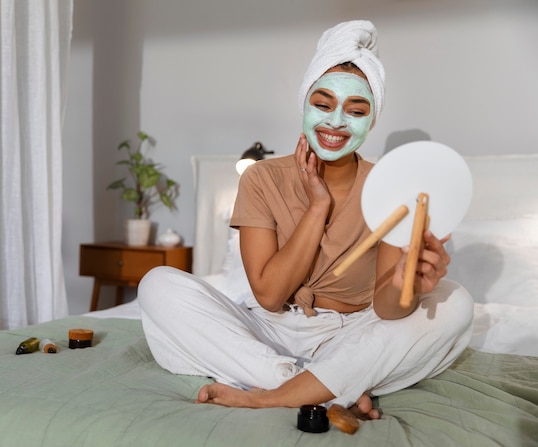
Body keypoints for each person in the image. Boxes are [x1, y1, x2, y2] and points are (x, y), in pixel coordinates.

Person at [137, 20, 473, 420]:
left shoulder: (391, 186)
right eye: (323, 103)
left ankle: (271, 393)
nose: (336, 122)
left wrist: (408, 288)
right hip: (268, 330)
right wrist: (317, 206)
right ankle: (322, 385)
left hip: (353, 335)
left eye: (356, 110)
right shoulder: (261, 178)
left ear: (372, 120)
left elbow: (386, 310)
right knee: (157, 284)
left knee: (457, 304)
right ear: (304, 103)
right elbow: (269, 295)